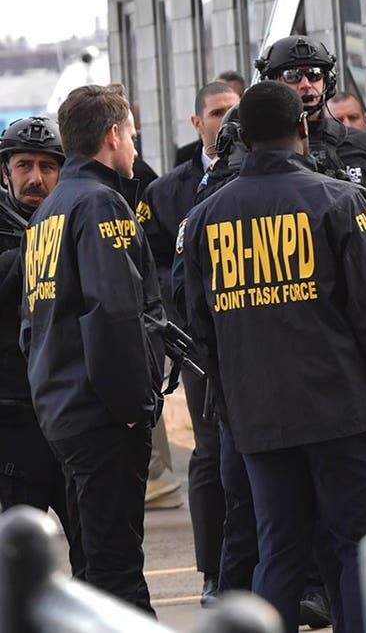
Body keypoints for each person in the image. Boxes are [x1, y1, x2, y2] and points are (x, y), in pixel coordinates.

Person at [180, 80, 366, 633]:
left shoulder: (203, 220)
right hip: (343, 413)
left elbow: (202, 331)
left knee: (280, 553)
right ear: (302, 128)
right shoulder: (342, 200)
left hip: (260, 421)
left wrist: (233, 410)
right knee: (358, 553)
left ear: (241, 137)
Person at [20, 84, 165, 613]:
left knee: (95, 566)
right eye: (130, 134)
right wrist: (135, 409)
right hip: (102, 416)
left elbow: (31, 326)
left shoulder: (50, 209)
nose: (133, 146)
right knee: (117, 576)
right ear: (111, 135)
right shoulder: (100, 203)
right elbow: (114, 315)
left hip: (63, 411)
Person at [138, 80, 238, 605]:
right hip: (197, 347)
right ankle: (213, 572)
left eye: (235, 111)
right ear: (196, 123)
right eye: (217, 112)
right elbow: (148, 265)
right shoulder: (165, 192)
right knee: (212, 453)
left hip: (252, 340)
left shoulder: (253, 178)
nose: (227, 120)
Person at [0, 117, 84, 569]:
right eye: (24, 166)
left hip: (72, 415)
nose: (36, 178)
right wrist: (37, 249)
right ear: (5, 171)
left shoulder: (80, 219)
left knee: (94, 551)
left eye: (48, 167)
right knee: (21, 563)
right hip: (15, 420)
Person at [254, 35, 366, 184]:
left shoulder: (364, 145)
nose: (306, 84)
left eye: (314, 74)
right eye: (292, 76)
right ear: (272, 84)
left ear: (327, 81)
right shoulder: (255, 149)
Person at [175, 71, 246, 166]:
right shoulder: (184, 160)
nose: (227, 118)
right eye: (217, 113)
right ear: (197, 123)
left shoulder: (261, 167)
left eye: (233, 110)